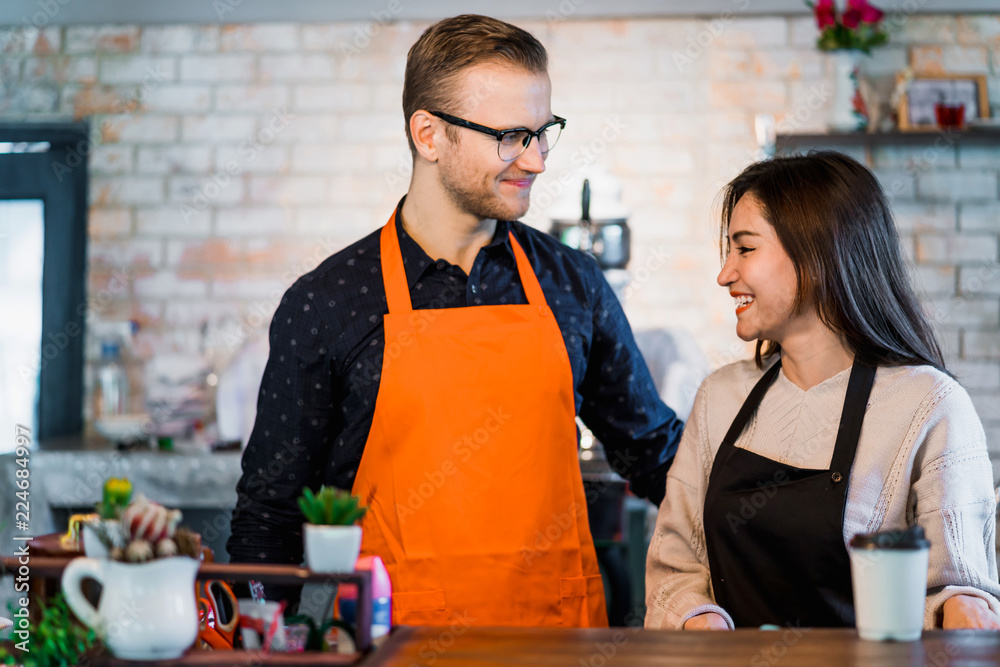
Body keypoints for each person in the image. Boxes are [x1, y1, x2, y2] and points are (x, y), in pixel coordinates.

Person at [228, 14, 684, 628]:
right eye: (511, 136)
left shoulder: (572, 283)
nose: (537, 161)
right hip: (391, 644)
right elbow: (270, 520)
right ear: (428, 134)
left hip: (560, 639)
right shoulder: (328, 303)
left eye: (543, 132)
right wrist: (265, 642)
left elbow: (654, 452)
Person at [645, 152, 1000, 632]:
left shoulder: (931, 406)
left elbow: (959, 590)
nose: (725, 274)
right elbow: (675, 566)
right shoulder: (719, 398)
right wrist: (702, 624)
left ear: (816, 254)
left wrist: (965, 613)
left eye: (744, 249)